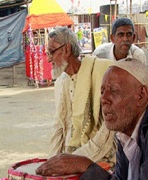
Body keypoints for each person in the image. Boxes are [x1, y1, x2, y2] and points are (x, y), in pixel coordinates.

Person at [47, 27, 116, 166]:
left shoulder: (104, 71)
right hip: (71, 155)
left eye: (51, 52)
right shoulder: (61, 82)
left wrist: (77, 158)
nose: (49, 59)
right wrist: (52, 161)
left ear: (66, 49)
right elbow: (59, 125)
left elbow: (110, 127)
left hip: (102, 157)